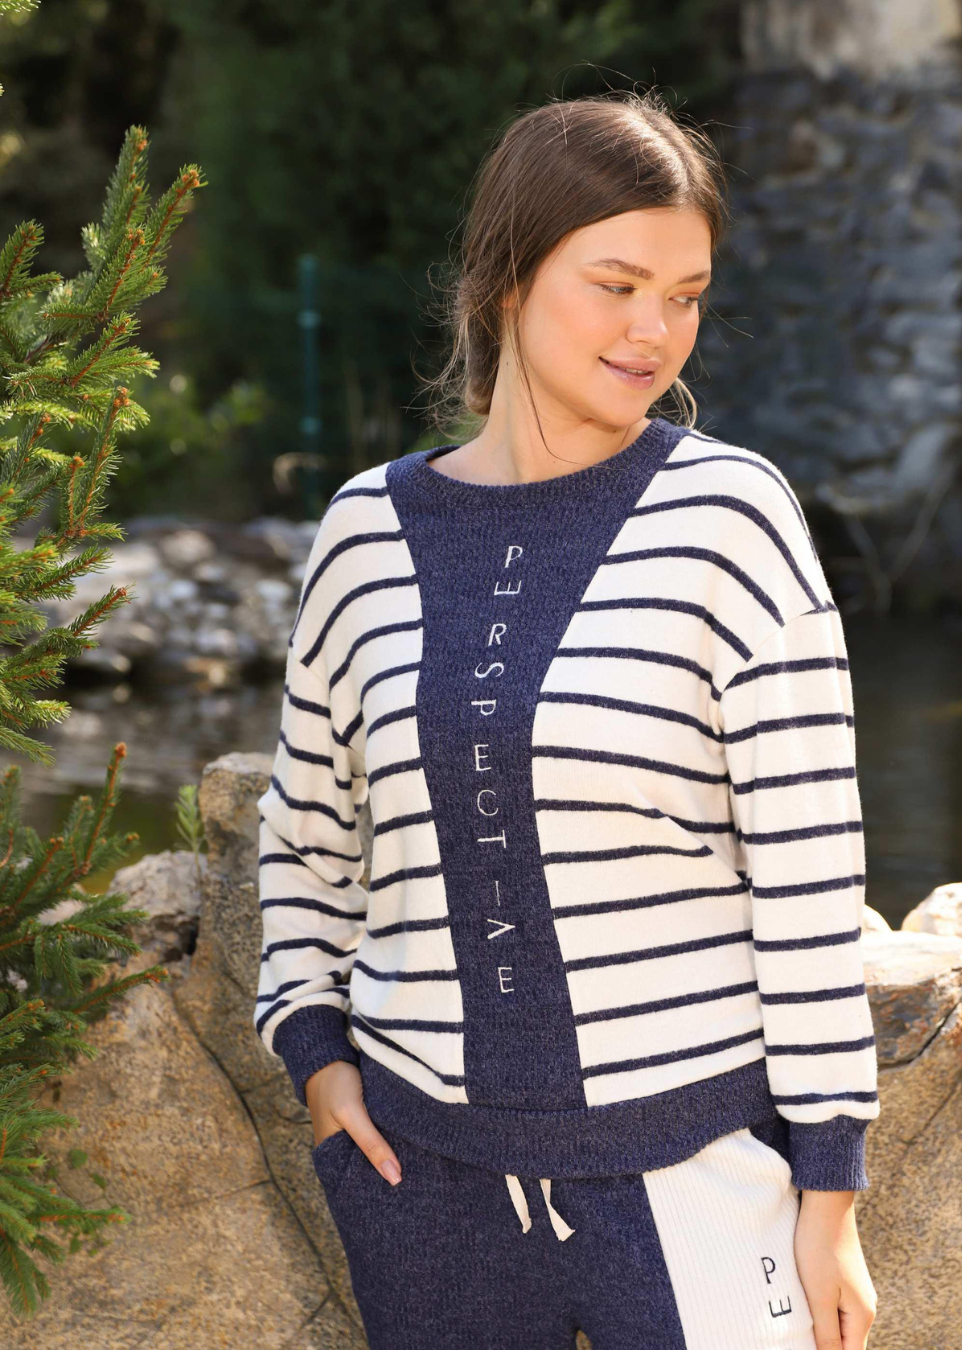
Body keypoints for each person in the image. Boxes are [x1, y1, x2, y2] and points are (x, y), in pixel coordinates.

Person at [253, 87, 879, 1350]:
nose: (656, 330)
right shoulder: (365, 533)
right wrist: (319, 1059)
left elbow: (809, 877)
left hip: (698, 1173)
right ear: (508, 279)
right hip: (425, 1184)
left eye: (686, 295)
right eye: (617, 284)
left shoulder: (733, 519)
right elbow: (304, 839)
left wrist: (829, 1191)